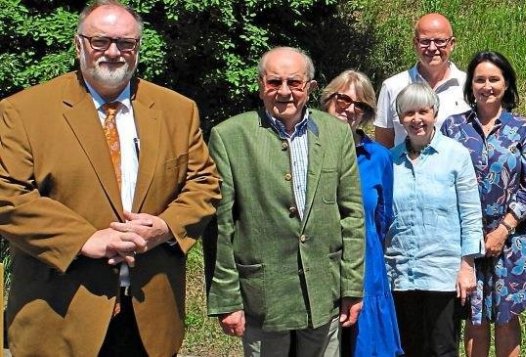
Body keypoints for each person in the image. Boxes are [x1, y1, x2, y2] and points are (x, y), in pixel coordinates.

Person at [0, 1, 221, 355]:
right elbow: (8, 196)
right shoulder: (24, 111)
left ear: (137, 49)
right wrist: (85, 239)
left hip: (150, 316)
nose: (114, 52)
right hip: (62, 312)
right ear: (79, 45)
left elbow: (204, 184)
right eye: (100, 41)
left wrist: (165, 227)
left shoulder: (177, 110)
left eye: (126, 43)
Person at [206, 47, 366, 357]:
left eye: (294, 82)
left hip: (323, 290)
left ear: (311, 87)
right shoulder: (229, 136)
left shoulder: (336, 134)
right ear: (260, 85)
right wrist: (228, 299)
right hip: (264, 296)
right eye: (274, 82)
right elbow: (220, 226)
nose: (284, 92)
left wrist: (351, 287)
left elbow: (352, 216)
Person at [440, 51, 526, 357]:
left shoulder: (522, 130)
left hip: (512, 239)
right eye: (480, 79)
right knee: (474, 316)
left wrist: (503, 229)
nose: (487, 86)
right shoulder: (452, 128)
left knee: (507, 317)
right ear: (470, 86)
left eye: (494, 79)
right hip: (467, 238)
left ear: (506, 83)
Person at [386, 82, 484, 357]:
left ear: (434, 113)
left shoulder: (456, 156)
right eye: (408, 113)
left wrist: (467, 265)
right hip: (400, 273)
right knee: (408, 349)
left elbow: (470, 213)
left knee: (442, 348)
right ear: (400, 118)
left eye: (422, 112)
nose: (416, 119)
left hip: (444, 273)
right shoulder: (390, 161)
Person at [320, 69, 404, 357]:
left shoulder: (379, 156)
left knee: (365, 348)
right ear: (327, 99)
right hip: (319, 264)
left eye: (361, 105)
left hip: (367, 265)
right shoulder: (306, 150)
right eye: (343, 100)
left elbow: (382, 218)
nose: (350, 109)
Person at [373, 13, 470, 147]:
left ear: (452, 44)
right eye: (425, 41)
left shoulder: (470, 86)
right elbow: (383, 145)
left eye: (440, 41)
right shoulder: (392, 86)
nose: (432, 48)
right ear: (415, 43)